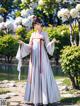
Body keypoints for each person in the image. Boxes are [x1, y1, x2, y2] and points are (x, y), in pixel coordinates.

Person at [16, 17, 60, 106]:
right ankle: (34, 99)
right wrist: (23, 44)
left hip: (42, 57)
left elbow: (47, 46)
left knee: (44, 74)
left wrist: (52, 42)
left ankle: (45, 98)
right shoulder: (32, 34)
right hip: (34, 58)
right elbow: (29, 47)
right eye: (34, 25)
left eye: (37, 24)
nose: (36, 26)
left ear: (40, 24)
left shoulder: (45, 33)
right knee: (34, 75)